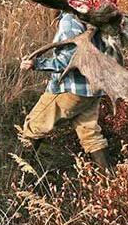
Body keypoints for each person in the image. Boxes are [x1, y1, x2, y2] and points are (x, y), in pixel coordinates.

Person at [20, 11, 115, 171]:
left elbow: (70, 60)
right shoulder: (94, 19)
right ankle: (113, 183)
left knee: (33, 127)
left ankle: (20, 177)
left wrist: (36, 64)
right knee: (91, 135)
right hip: (93, 89)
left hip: (69, 89)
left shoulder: (70, 21)